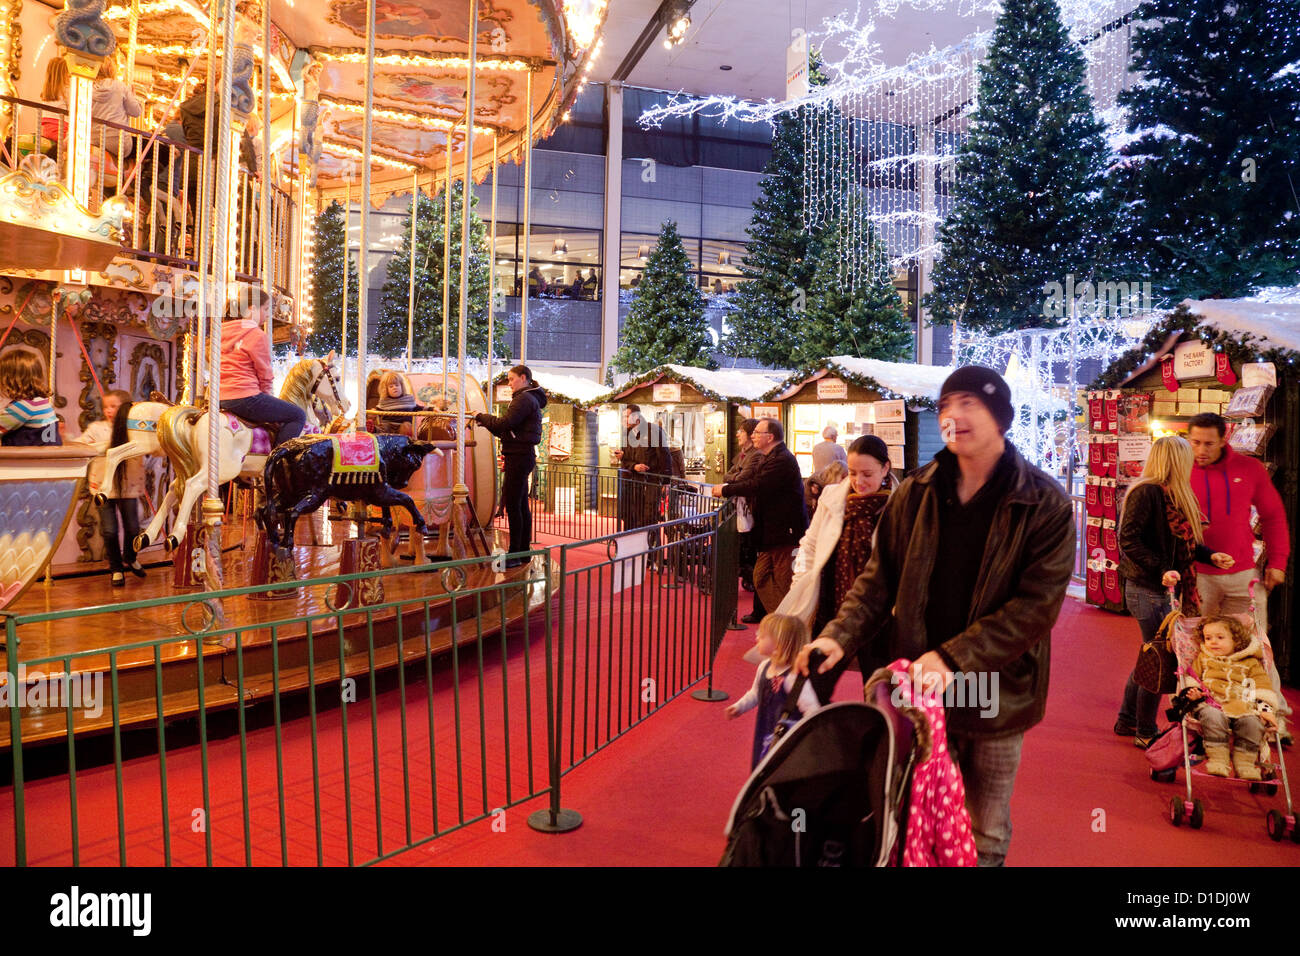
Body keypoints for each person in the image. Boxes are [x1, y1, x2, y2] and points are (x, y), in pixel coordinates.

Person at [797, 365, 1075, 867]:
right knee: (911, 812)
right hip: (918, 690)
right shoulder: (915, 492)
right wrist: (838, 636)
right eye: (948, 405)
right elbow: (877, 582)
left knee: (983, 827)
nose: (954, 415)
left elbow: (1036, 608)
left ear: (1002, 418)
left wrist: (952, 657)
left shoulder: (1043, 502)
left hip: (996, 690)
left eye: (971, 403)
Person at [1114, 435, 1234, 748]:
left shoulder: (1170, 494)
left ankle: (1128, 720)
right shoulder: (1148, 493)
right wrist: (1160, 569)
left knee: (1150, 653)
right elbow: (1128, 541)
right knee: (1160, 657)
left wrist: (1210, 556)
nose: (1194, 459)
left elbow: (1183, 544)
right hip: (1148, 587)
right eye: (1188, 454)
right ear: (1175, 460)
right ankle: (1144, 729)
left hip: (1160, 585)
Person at [780, 435, 895, 702]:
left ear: (886, 468)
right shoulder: (833, 497)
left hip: (878, 617)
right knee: (809, 686)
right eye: (853, 473)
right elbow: (809, 544)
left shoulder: (900, 505)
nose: (859, 481)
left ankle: (879, 741)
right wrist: (801, 581)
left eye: (868, 473)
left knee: (881, 696)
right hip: (832, 610)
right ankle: (811, 737)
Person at [1186, 412, 1290, 613]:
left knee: (1251, 639)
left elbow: (1273, 516)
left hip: (1243, 573)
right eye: (1195, 442)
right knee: (1197, 640)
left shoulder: (1250, 468)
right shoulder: (1180, 469)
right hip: (1196, 574)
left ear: (1223, 441)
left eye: (1209, 444)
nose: (1201, 450)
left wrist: (1278, 562)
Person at [712, 418, 807, 616]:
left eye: (757, 432)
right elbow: (745, 479)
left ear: (770, 437)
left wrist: (726, 490)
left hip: (784, 533)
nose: (752, 435)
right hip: (769, 533)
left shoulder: (781, 460)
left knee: (783, 581)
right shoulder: (767, 456)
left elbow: (757, 485)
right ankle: (781, 619)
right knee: (760, 576)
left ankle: (787, 623)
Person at [1186, 615, 1279, 780]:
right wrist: (1193, 692)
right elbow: (1192, 677)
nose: (1213, 642)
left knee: (1252, 723)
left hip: (1243, 706)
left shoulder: (1251, 662)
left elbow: (1263, 686)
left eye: (1220, 637)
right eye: (1208, 638)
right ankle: (1219, 759)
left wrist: (1265, 709)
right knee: (1212, 716)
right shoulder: (1204, 658)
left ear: (1236, 640)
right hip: (1211, 703)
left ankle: (1245, 763)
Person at [726, 613, 820, 769]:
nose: (757, 636)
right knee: (762, 766)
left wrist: (804, 737)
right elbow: (755, 693)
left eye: (762, 636)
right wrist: (740, 706)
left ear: (779, 645)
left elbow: (812, 709)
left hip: (786, 737)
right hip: (765, 729)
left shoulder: (793, 677)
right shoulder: (764, 667)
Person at [474, 365, 546, 567]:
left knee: (515, 505)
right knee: (521, 505)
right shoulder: (530, 398)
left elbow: (504, 424)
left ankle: (516, 553)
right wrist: (488, 422)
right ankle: (522, 551)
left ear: (523, 378)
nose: (509, 383)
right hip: (521, 454)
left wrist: (482, 417)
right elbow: (507, 428)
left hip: (519, 456)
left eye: (511, 379)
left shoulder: (523, 399)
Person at [218, 287, 306, 447]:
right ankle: (276, 463)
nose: (268, 315)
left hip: (221, 397)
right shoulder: (256, 334)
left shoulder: (221, 331)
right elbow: (264, 373)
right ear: (252, 309)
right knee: (298, 415)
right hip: (246, 397)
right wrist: (268, 395)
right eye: (265, 309)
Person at [76, 389, 146, 587]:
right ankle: (116, 568)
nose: (108, 410)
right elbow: (83, 446)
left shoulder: (135, 430)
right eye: (106, 406)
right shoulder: (97, 428)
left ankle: (130, 556)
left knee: (133, 527)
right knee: (109, 530)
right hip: (103, 485)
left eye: (113, 406)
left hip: (127, 484)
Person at [611, 404, 671, 531]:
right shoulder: (627, 433)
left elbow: (665, 457)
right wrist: (633, 465)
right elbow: (625, 461)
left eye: (626, 417)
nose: (623, 420)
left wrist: (666, 482)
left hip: (651, 482)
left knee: (649, 518)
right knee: (630, 517)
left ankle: (652, 549)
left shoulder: (654, 430)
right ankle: (631, 548)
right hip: (632, 483)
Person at [727, 419, 764, 623]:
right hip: (743, 511)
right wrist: (734, 476)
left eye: (741, 431)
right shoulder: (742, 455)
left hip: (751, 513)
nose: (738, 434)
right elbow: (730, 473)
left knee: (754, 555)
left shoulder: (755, 456)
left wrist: (733, 478)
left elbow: (742, 477)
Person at [0, 350, 60, 446]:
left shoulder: (23, 407)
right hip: (46, 457)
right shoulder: (39, 402)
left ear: (9, 380)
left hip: (32, 459)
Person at [91, 57, 142, 161]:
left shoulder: (89, 86)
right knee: (145, 147)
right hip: (117, 141)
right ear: (112, 69)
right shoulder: (120, 86)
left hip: (93, 138)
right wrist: (134, 96)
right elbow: (136, 112)